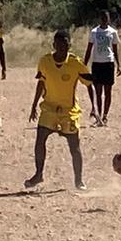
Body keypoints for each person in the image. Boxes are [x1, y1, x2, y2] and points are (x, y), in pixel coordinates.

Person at [28, 30, 95, 189]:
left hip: (68, 111)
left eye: (65, 43)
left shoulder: (76, 63)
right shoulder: (45, 62)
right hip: (49, 109)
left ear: (69, 45)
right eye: (58, 44)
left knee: (74, 145)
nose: (61, 47)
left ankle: (79, 180)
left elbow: (89, 85)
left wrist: (95, 107)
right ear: (54, 45)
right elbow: (41, 82)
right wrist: (33, 105)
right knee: (40, 139)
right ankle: (38, 175)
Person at [86, 10, 121, 126]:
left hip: (108, 63)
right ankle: (98, 117)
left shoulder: (113, 32)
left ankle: (105, 116)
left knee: (108, 91)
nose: (104, 20)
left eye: (106, 18)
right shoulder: (94, 32)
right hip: (97, 63)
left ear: (109, 19)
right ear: (99, 19)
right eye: (102, 18)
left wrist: (118, 64)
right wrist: (84, 63)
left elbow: (115, 49)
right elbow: (89, 48)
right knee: (98, 91)